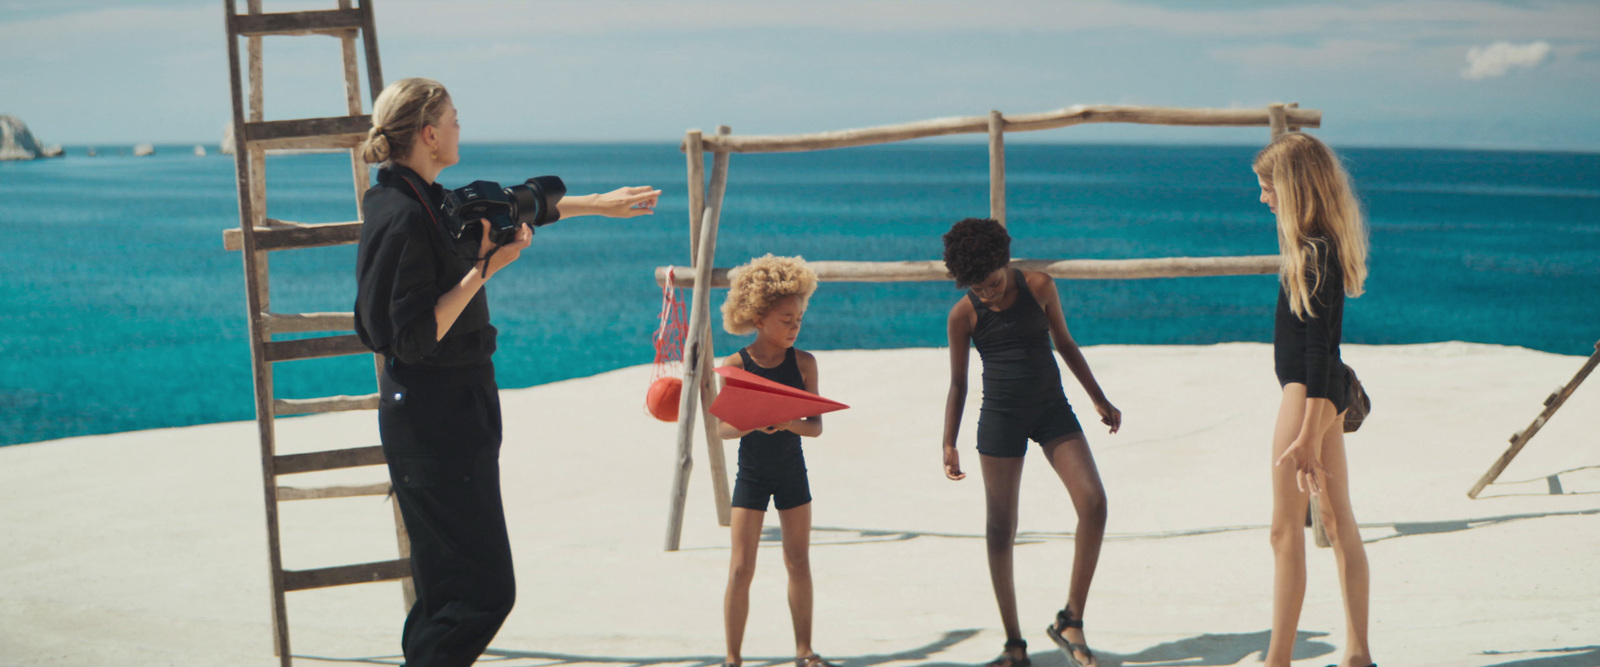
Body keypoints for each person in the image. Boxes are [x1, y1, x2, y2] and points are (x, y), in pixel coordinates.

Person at [353, 77, 659, 667]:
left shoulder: (433, 200)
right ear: (429, 133)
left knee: (446, 594)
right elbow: (404, 338)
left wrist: (603, 203)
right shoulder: (401, 216)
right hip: (433, 421)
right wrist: (485, 270)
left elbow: (521, 204)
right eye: (455, 118)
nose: (462, 127)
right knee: (485, 594)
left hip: (457, 412)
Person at [940, 218, 1122, 667]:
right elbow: (958, 384)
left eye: (993, 282)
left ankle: (1070, 619)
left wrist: (1099, 399)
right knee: (1000, 530)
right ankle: (1014, 645)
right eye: (977, 288)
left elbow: (1065, 343)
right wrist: (949, 441)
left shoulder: (1039, 285)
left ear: (1006, 261)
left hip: (1051, 409)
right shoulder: (962, 315)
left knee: (1094, 503)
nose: (988, 293)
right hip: (999, 420)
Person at [1252, 132, 1374, 667]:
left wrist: (1304, 434)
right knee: (1339, 517)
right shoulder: (1320, 245)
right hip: (1323, 397)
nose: (1263, 198)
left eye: (1268, 186)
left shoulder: (1311, 254)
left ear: (1293, 186)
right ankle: (1358, 655)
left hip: (1306, 398)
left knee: (1286, 532)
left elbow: (1317, 352)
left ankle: (1277, 661)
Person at [714, 255, 836, 667]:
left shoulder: (804, 363)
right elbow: (722, 429)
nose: (795, 326)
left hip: (791, 472)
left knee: (798, 561)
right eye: (786, 319)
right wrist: (753, 423)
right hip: (750, 474)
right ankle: (733, 658)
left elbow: (815, 427)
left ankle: (805, 650)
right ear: (759, 317)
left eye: (799, 318)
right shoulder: (735, 365)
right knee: (740, 568)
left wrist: (786, 421)